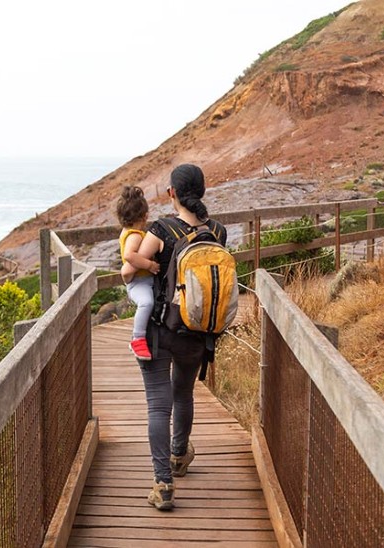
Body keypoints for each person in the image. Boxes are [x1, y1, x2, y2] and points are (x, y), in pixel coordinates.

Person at [129, 163, 227, 511]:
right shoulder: (218, 231)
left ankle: (163, 484)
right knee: (183, 393)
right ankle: (179, 455)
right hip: (198, 333)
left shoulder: (161, 229)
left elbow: (132, 265)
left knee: (158, 404)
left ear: (172, 193)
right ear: (202, 190)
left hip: (160, 330)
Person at [115, 186, 161, 360]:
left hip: (142, 281)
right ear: (144, 215)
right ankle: (138, 338)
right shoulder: (135, 235)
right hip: (139, 282)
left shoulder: (127, 232)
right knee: (146, 303)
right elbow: (129, 256)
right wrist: (149, 265)